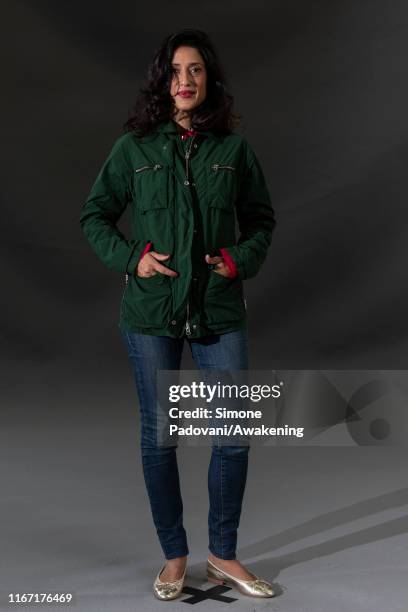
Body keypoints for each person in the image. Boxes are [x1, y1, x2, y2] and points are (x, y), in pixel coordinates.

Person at [79, 28, 276, 601]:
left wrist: (238, 261)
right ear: (160, 83)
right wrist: (131, 259)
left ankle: (222, 554)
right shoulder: (134, 149)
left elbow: (261, 221)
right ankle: (173, 557)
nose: (184, 81)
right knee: (159, 438)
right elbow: (95, 216)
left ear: (209, 80)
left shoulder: (233, 150)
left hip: (217, 308)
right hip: (150, 314)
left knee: (233, 433)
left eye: (194, 71)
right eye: (174, 72)